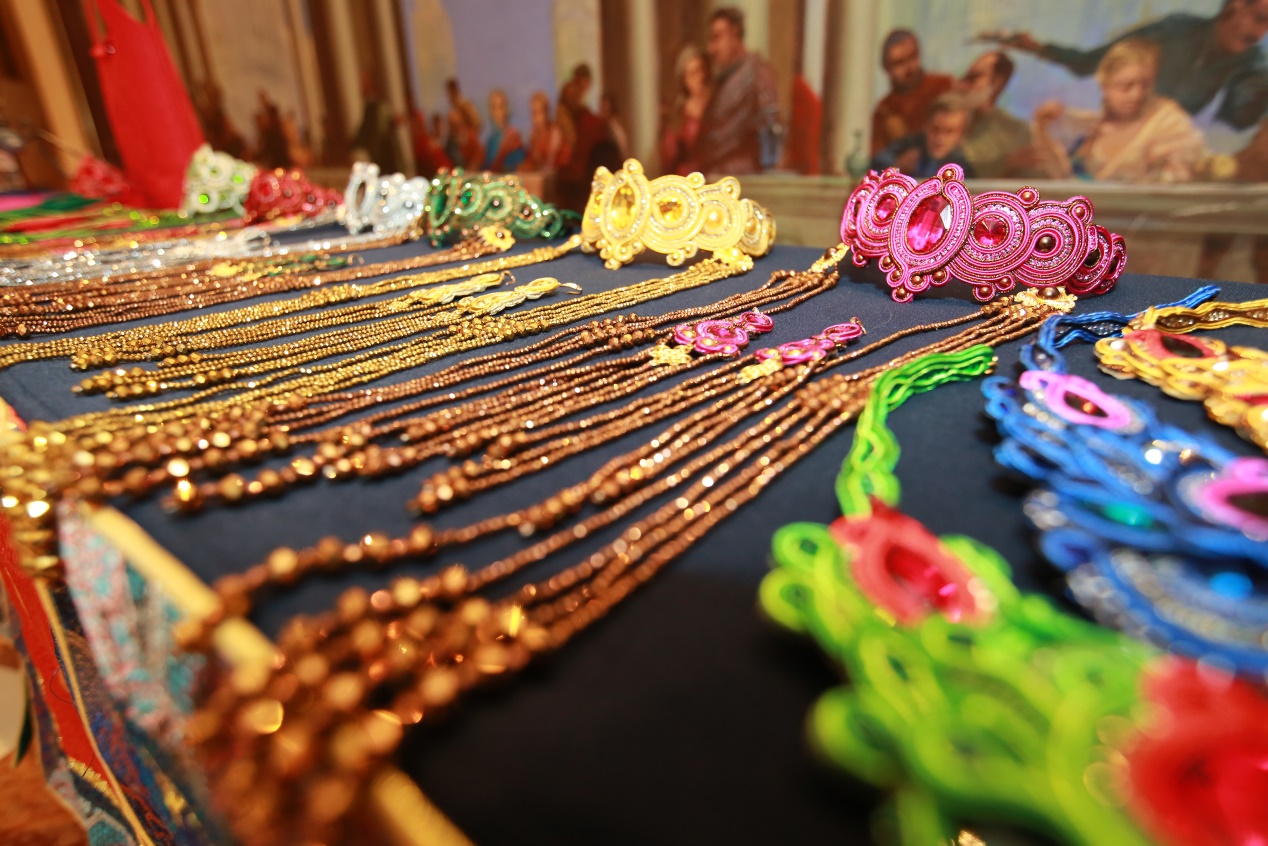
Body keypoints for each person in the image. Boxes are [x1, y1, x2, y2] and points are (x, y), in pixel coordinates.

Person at [985, 0, 1268, 131]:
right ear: (1235, 5)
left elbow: (1235, 123)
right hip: (1117, 138)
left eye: (1267, 25)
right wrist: (1036, 48)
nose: (1259, 33)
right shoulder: (1175, 31)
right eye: (1259, 18)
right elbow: (1091, 63)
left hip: (1171, 151)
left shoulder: (1253, 66)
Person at [1032, 39, 1205, 183]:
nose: (1137, 95)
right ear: (1105, 86)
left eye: (1145, 85)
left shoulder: (1167, 122)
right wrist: (1044, 128)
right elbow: (1062, 179)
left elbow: (1180, 178)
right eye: (1126, 86)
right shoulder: (1086, 129)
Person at [696, 7, 781, 175]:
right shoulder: (723, 79)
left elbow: (770, 129)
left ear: (734, 36)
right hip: (713, 174)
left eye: (716, 38)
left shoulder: (757, 74)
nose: (711, 48)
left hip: (741, 176)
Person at [871, 30, 955, 156]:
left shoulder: (942, 86)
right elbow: (876, 157)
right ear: (887, 68)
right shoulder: (884, 111)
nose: (909, 68)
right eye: (899, 63)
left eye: (912, 57)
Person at [956, 51, 1036, 178]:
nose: (964, 84)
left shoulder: (1016, 130)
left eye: (975, 77)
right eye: (966, 77)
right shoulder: (952, 121)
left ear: (997, 82)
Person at [870, 92, 975, 178]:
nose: (940, 138)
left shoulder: (963, 165)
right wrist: (897, 167)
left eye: (949, 132)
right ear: (926, 127)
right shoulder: (908, 146)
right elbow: (873, 173)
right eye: (935, 129)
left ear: (960, 134)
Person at [661, 46, 711, 175]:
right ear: (683, 80)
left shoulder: (716, 103)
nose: (699, 77)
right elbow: (669, 156)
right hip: (690, 176)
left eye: (701, 70)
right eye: (692, 73)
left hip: (718, 172)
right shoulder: (679, 114)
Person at [351, 72, 400, 172]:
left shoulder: (378, 107)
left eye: (365, 82)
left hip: (383, 159)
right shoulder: (370, 106)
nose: (362, 86)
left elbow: (375, 132)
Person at [482, 89, 526, 172]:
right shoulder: (491, 140)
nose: (498, 112)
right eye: (494, 108)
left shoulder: (513, 136)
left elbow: (520, 166)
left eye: (501, 106)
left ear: (506, 108)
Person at [444, 78, 483, 167]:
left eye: (450, 92)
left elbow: (477, 122)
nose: (448, 95)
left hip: (467, 141)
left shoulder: (464, 104)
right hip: (458, 142)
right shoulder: (453, 108)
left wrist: (469, 137)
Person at [520, 91, 560, 172]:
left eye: (538, 112)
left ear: (546, 112)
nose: (535, 118)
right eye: (533, 113)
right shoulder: (533, 135)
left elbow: (555, 162)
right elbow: (530, 160)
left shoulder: (555, 133)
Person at [600, 92, 629, 160]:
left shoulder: (614, 128)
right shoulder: (604, 126)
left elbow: (621, 150)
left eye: (605, 108)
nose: (602, 111)